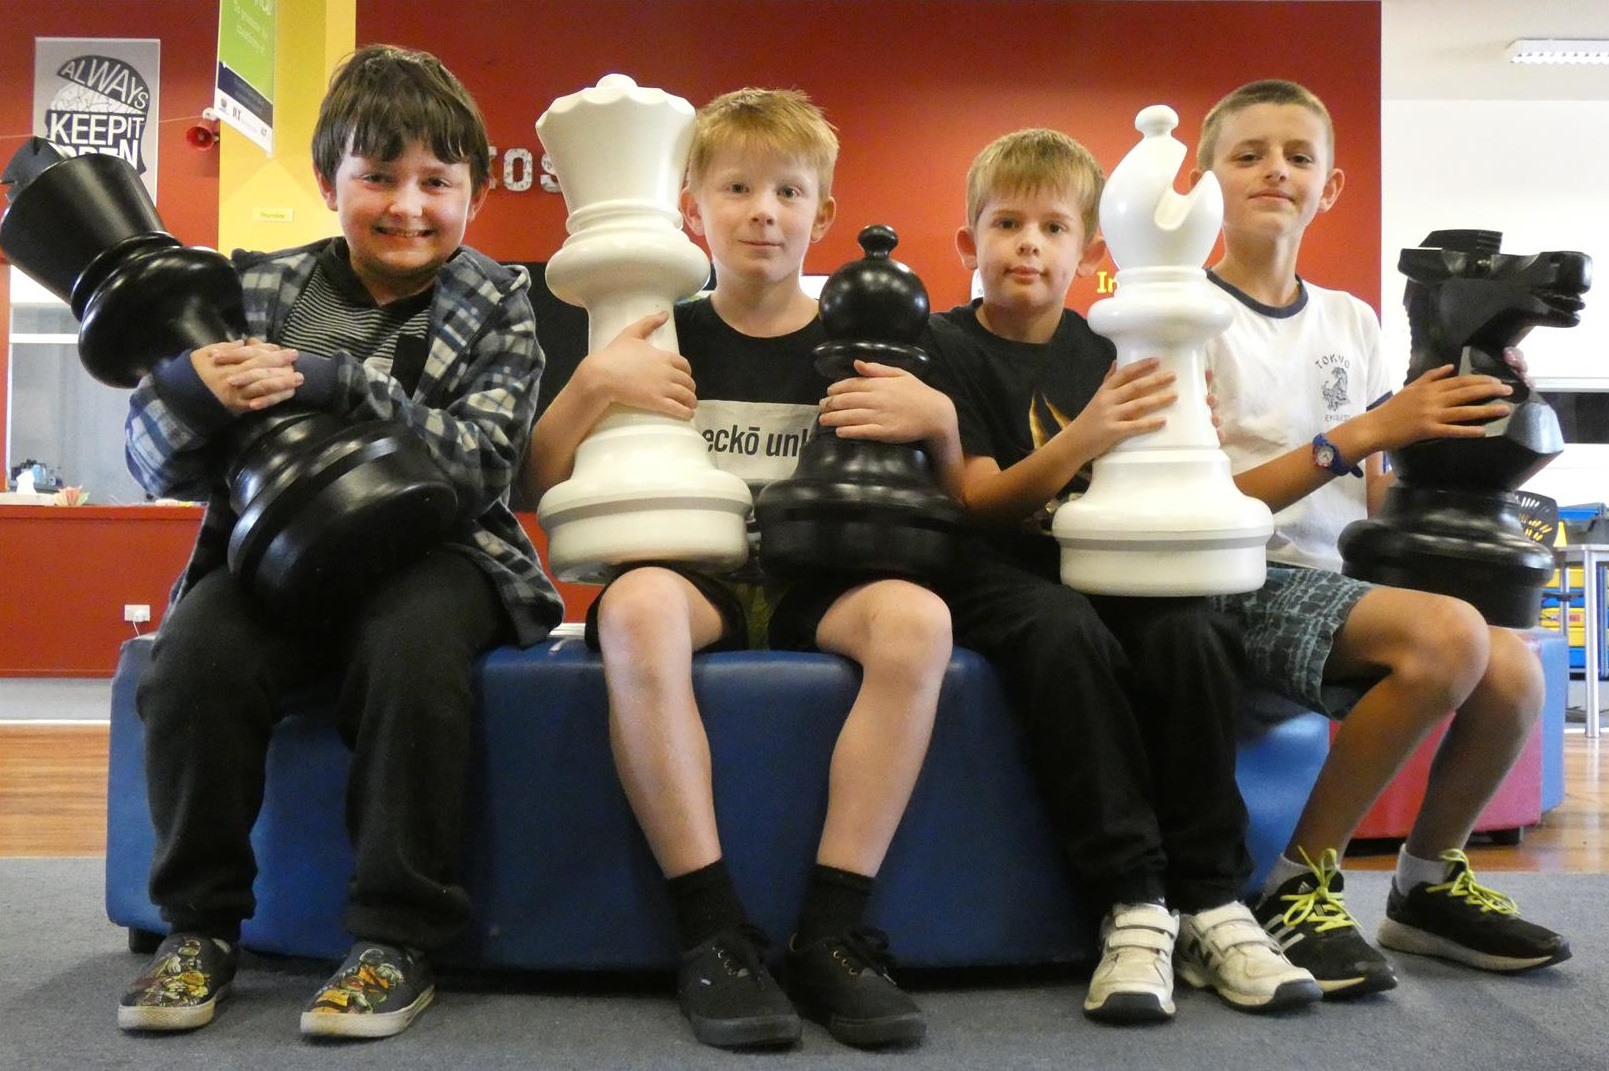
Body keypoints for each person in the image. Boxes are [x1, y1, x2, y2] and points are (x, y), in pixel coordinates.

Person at [822, 127, 1320, 1024]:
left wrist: (1181, 430)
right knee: (1061, 629)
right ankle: (1129, 898)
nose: (1028, 245)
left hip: (1096, 565)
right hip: (982, 569)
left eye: (1054, 228)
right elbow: (980, 503)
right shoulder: (941, 344)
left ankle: (1210, 895)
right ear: (969, 244)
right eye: (1006, 224)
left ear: (1089, 250)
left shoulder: (1107, 347)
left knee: (1196, 628)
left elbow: (1161, 477)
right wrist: (1093, 431)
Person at [117, 45, 561, 1038]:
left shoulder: (497, 301)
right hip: (271, 558)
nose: (408, 205)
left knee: (409, 655)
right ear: (330, 184)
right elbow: (154, 463)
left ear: (474, 194)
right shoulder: (257, 290)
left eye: (437, 182)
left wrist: (340, 383)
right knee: (191, 658)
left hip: (438, 556)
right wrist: (190, 391)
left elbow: (488, 462)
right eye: (378, 177)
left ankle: (394, 938)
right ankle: (198, 928)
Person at [525, 87, 945, 1051]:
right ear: (691, 202)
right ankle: (711, 931)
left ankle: (832, 934)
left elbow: (920, 487)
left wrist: (934, 420)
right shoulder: (648, 327)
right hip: (695, 580)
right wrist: (591, 387)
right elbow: (538, 476)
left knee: (919, 621)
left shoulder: (860, 344)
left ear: (822, 213)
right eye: (738, 187)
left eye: (789, 192)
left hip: (815, 581)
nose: (764, 210)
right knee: (634, 612)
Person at [1192, 78, 1569, 998]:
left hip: (1341, 582)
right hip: (1233, 578)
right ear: (1204, 185)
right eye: (1247, 155)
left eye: (1297, 156)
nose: (1273, 170)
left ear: (1330, 188)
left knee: (1512, 663)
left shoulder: (1351, 319)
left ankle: (1424, 883)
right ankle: (1295, 884)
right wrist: (1362, 430)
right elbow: (1205, 504)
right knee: (1447, 636)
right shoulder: (1185, 318)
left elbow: (1382, 488)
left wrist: (1469, 402)